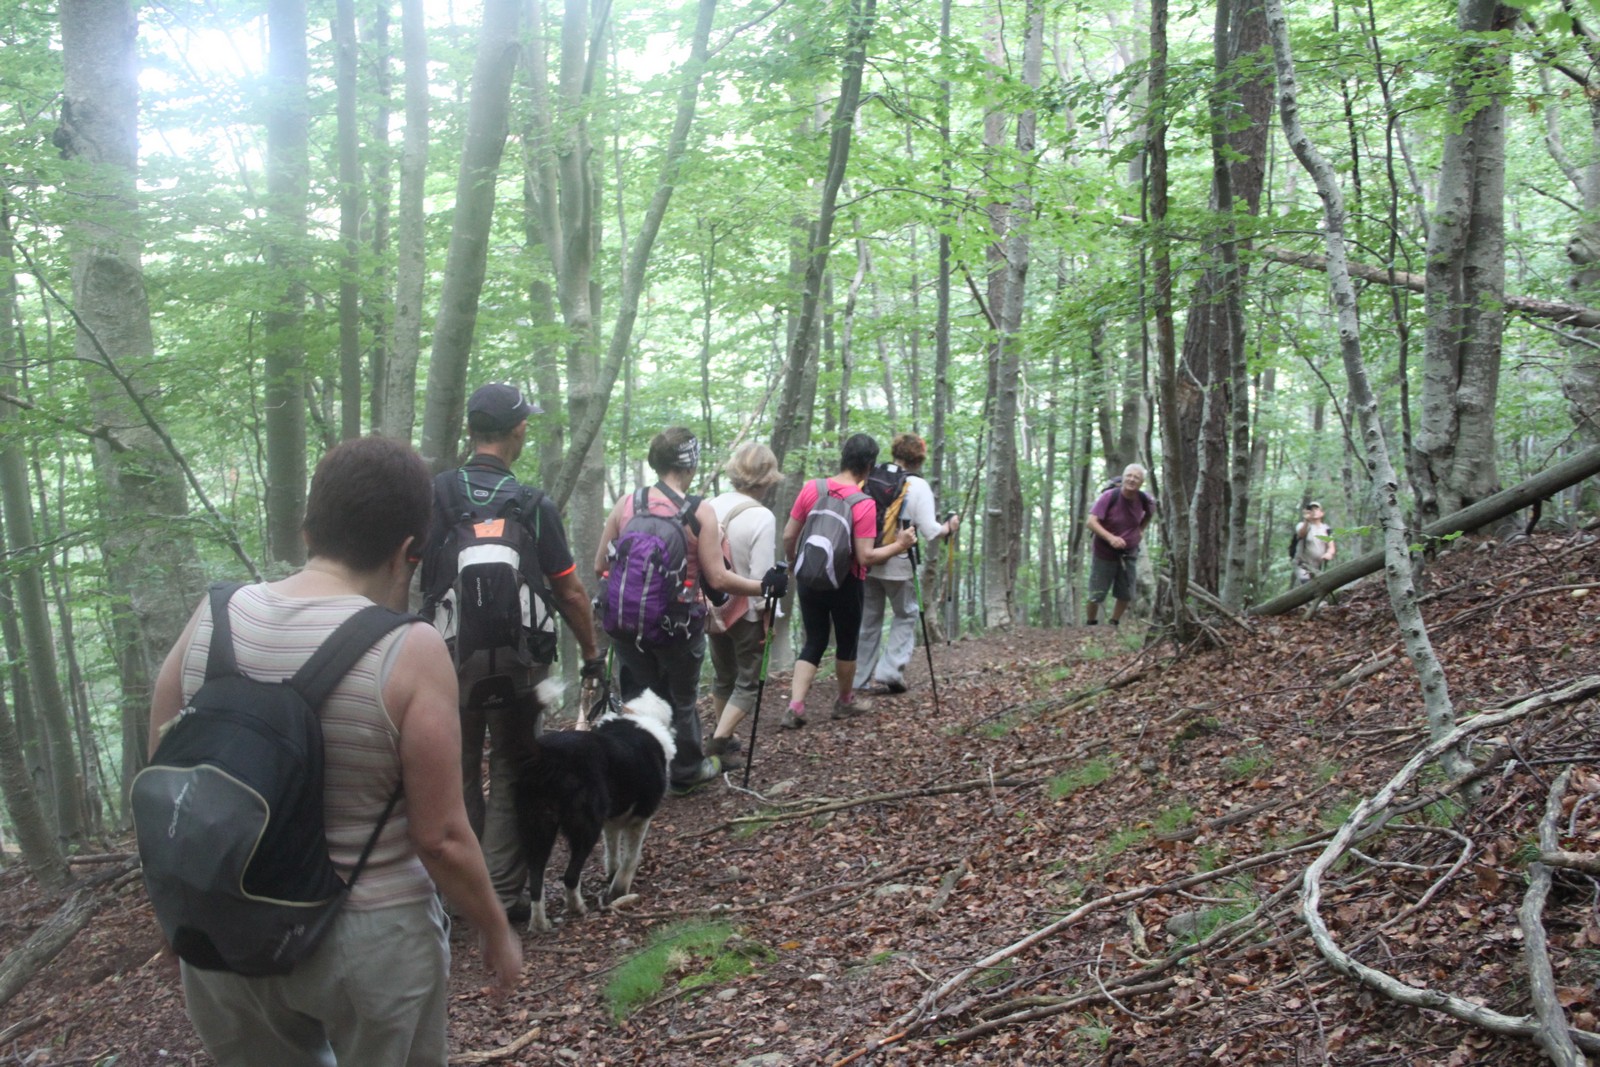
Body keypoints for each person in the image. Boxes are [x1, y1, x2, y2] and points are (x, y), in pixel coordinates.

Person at [150, 436, 522, 1065]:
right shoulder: (411, 649)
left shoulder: (212, 615)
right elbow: (440, 837)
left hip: (224, 930)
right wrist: (494, 927)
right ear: (410, 550)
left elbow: (166, 778)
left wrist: (174, 911)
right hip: (368, 938)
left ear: (308, 530)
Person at [420, 382, 603, 922]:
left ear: (470, 430)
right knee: (511, 766)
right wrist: (592, 655)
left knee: (457, 767)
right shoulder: (532, 504)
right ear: (519, 431)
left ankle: (461, 889)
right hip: (522, 662)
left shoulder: (437, 496)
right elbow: (569, 591)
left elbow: (410, 571)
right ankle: (500, 895)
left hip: (448, 657)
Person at [594, 427, 784, 794]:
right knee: (681, 700)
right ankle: (686, 772)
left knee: (638, 698)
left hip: (625, 623)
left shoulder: (627, 503)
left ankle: (636, 772)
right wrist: (765, 586)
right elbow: (719, 579)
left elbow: (600, 564)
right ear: (691, 465)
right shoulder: (698, 512)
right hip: (677, 627)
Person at [780, 433, 916, 729]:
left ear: (843, 457)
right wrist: (900, 545)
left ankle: (796, 705)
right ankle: (844, 702)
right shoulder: (863, 503)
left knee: (814, 640)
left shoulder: (812, 488)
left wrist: (793, 562)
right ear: (869, 466)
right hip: (846, 581)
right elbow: (865, 557)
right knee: (846, 641)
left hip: (810, 576)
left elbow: (789, 535)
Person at [856, 433, 960, 695]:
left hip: (868, 558)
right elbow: (931, 531)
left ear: (895, 452)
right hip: (900, 563)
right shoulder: (918, 486)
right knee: (906, 613)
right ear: (919, 458)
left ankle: (859, 679)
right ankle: (890, 671)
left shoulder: (872, 477)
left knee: (868, 620)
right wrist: (949, 527)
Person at [705, 442, 785, 767]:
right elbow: (763, 579)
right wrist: (769, 619)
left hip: (713, 608)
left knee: (724, 676)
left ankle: (724, 739)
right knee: (748, 684)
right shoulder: (761, 517)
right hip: (747, 613)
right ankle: (718, 741)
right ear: (767, 478)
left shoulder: (710, 506)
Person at [1085, 462, 1155, 627]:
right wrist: (1111, 538)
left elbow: (1150, 514)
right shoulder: (1109, 496)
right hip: (1104, 552)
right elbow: (1091, 522)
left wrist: (1140, 530)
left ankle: (1114, 624)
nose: (1132, 480)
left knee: (1125, 592)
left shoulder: (1144, 499)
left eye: (1136, 477)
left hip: (1129, 552)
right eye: (1129, 476)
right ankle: (1091, 624)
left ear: (1141, 482)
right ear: (1123, 478)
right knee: (1096, 592)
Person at [1292, 500, 1336, 586]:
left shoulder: (1326, 529)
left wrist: (1329, 553)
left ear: (1322, 513)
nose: (1314, 511)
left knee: (1318, 585)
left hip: (1319, 566)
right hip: (1303, 564)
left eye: (1316, 509)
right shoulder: (1302, 525)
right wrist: (1306, 521)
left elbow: (1331, 546)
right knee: (1307, 585)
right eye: (1311, 509)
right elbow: (1301, 534)